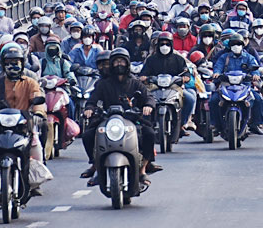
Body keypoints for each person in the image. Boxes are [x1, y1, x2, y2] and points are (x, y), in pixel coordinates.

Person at [80, 47, 159, 185]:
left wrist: (148, 106)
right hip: (107, 120)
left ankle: (143, 170)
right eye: (116, 62)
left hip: (132, 120)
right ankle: (96, 166)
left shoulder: (135, 83)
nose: (119, 64)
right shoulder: (103, 84)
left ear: (127, 63)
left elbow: (149, 97)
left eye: (122, 61)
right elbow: (92, 100)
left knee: (149, 134)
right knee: (88, 135)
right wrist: (89, 109)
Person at [0, 43, 45, 197]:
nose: (13, 66)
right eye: (9, 63)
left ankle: (35, 182)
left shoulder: (30, 82)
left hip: (23, 125)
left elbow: (37, 99)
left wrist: (39, 114)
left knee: (36, 145)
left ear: (23, 63)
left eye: (17, 62)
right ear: (3, 64)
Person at [138, 32, 197, 132]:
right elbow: (143, 73)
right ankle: (146, 124)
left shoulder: (178, 59)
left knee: (190, 99)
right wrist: (144, 78)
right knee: (142, 99)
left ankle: (182, 123)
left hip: (174, 87)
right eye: (162, 44)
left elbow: (186, 72)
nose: (164, 47)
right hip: (155, 86)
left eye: (167, 44)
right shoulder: (151, 59)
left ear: (171, 45)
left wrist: (185, 78)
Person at [211, 33, 263, 136]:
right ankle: (215, 125)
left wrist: (255, 75)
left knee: (258, 99)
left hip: (244, 86)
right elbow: (218, 66)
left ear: (242, 45)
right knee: (213, 100)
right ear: (230, 46)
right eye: (234, 44)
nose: (236, 46)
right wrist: (216, 73)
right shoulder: (224, 57)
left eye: (238, 44)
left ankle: (256, 124)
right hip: (227, 86)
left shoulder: (248, 57)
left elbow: (255, 68)